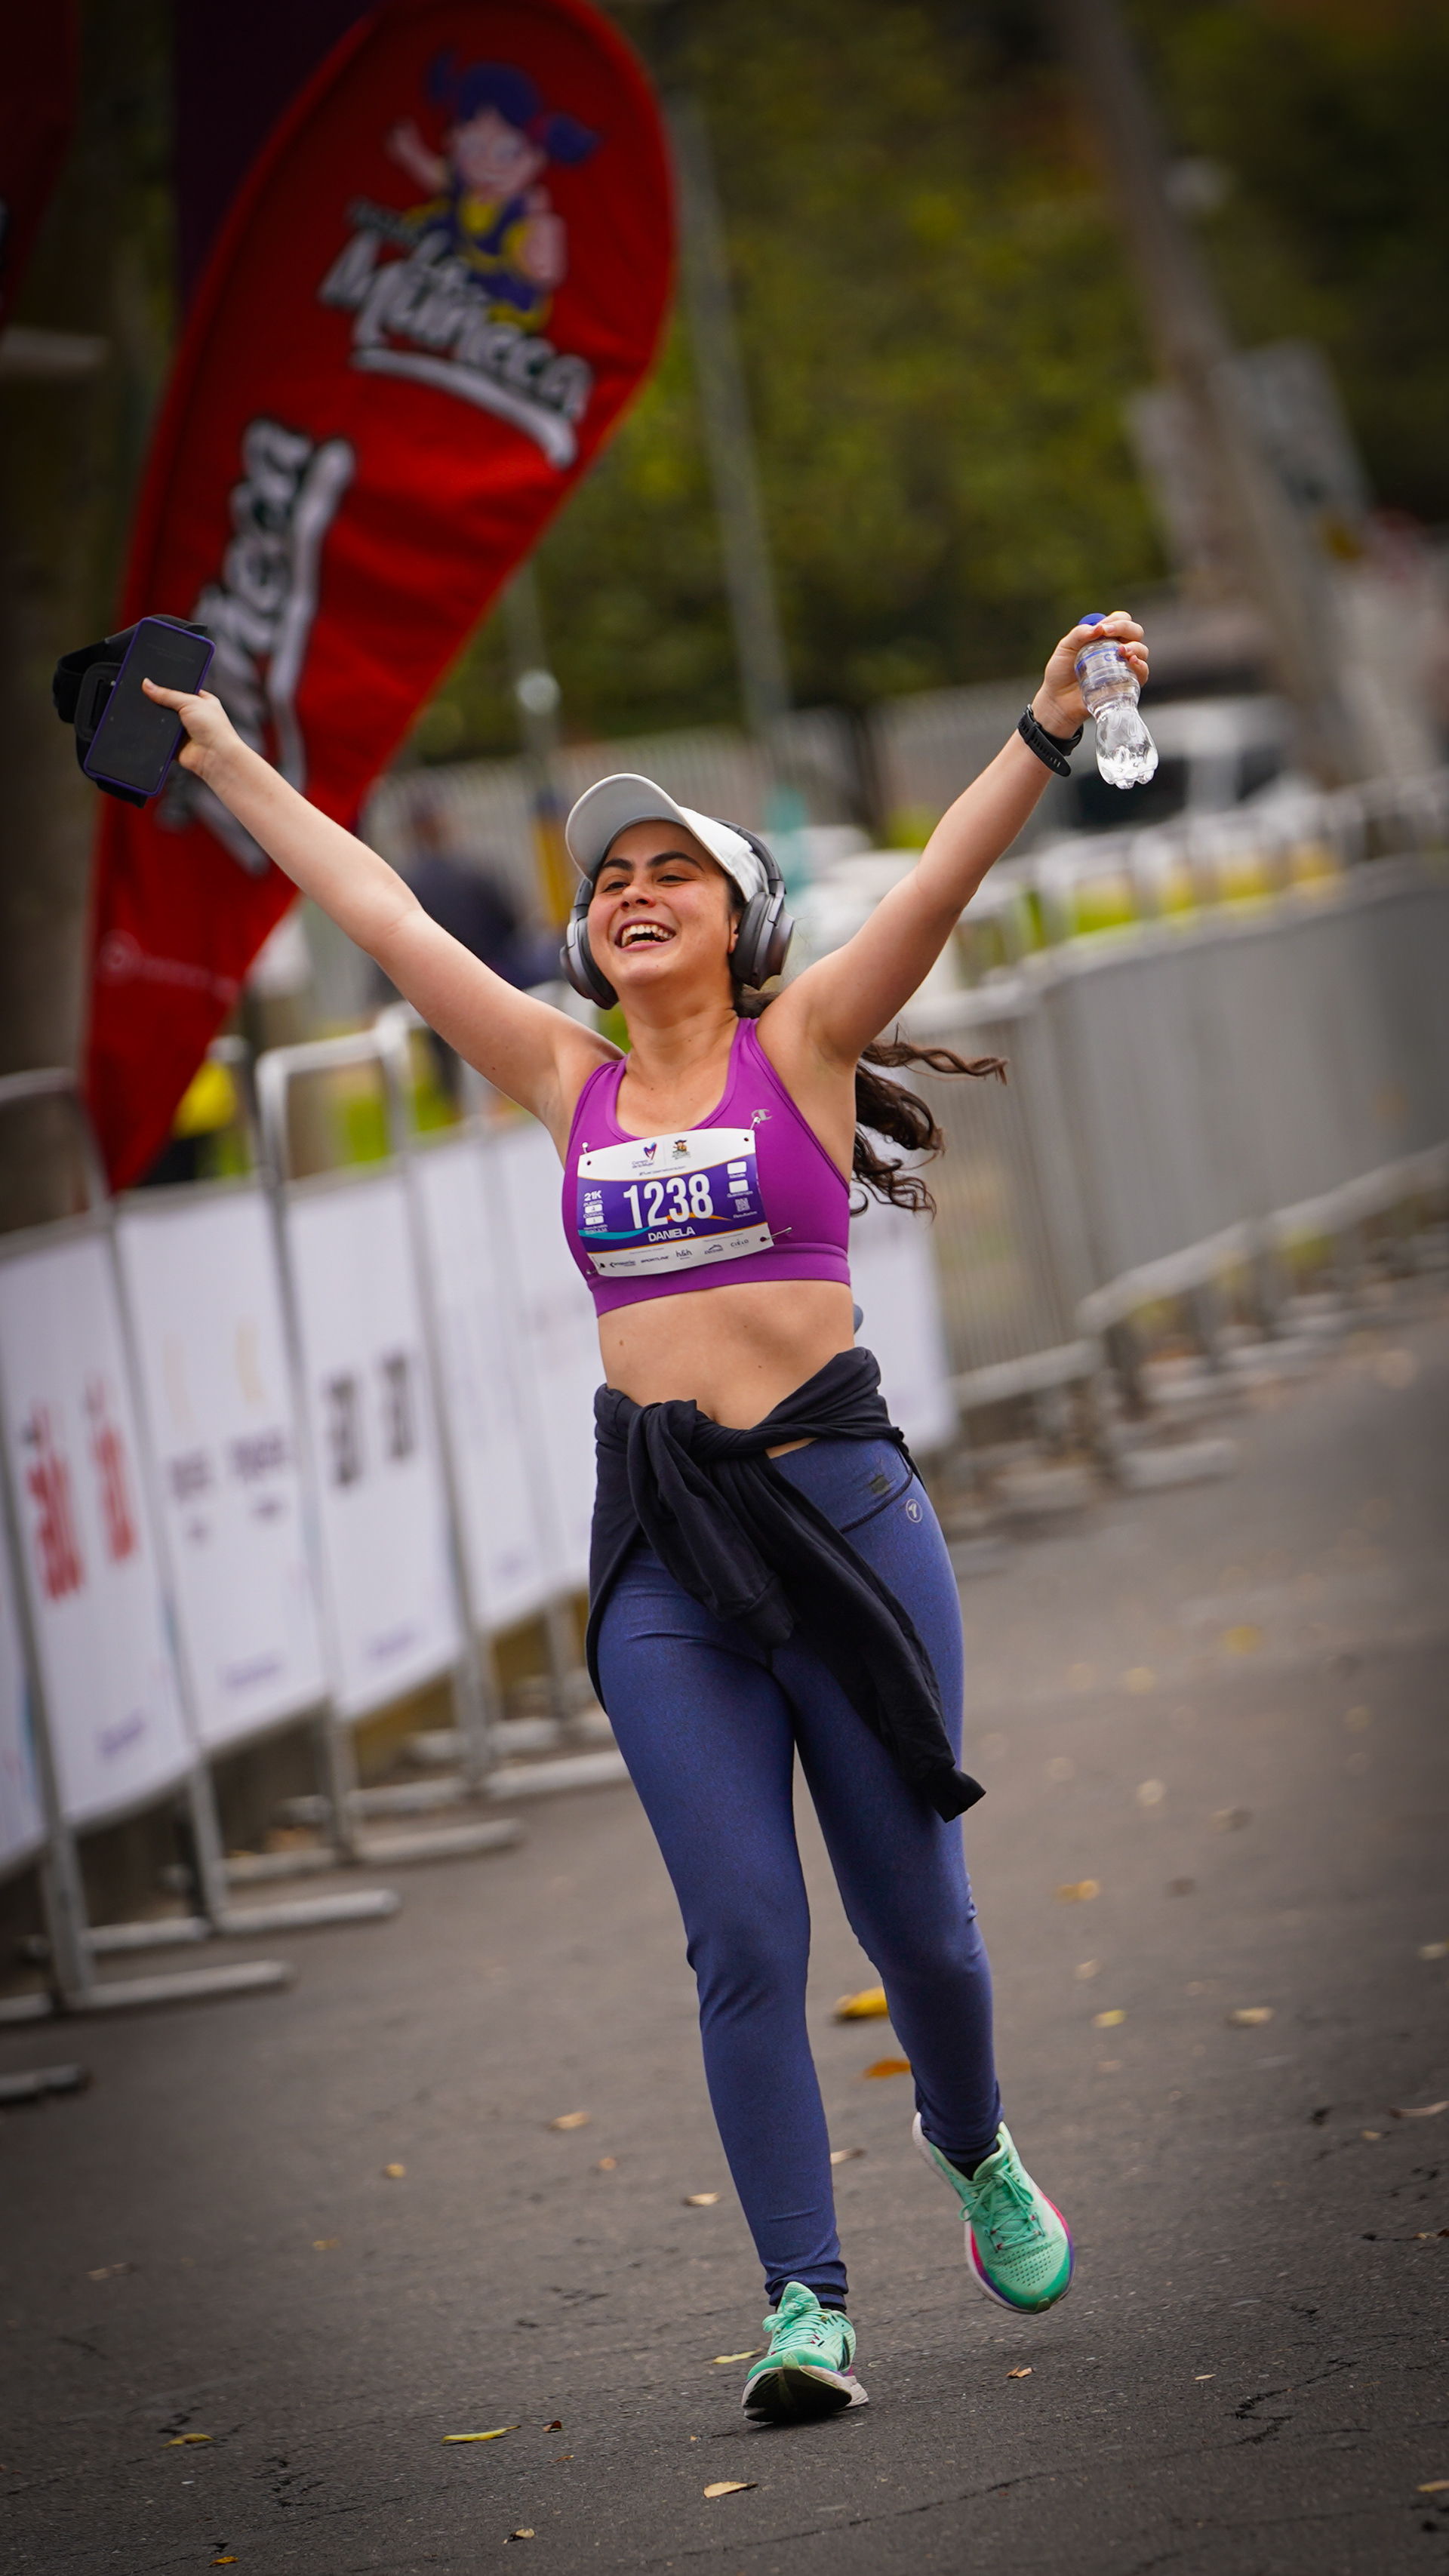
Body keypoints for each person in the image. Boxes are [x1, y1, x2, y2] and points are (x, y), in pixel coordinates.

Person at [143, 609, 1149, 2425]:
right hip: (664, 1552)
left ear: (743, 920)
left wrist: (1045, 723)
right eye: (610, 877)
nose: (632, 890)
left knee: (922, 1933)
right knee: (744, 1937)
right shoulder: (566, 1077)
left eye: (672, 867)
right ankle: (805, 2309)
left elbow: (941, 875)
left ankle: (973, 2140)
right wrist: (224, 761)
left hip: (845, 1522)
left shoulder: (809, 1038)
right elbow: (383, 911)